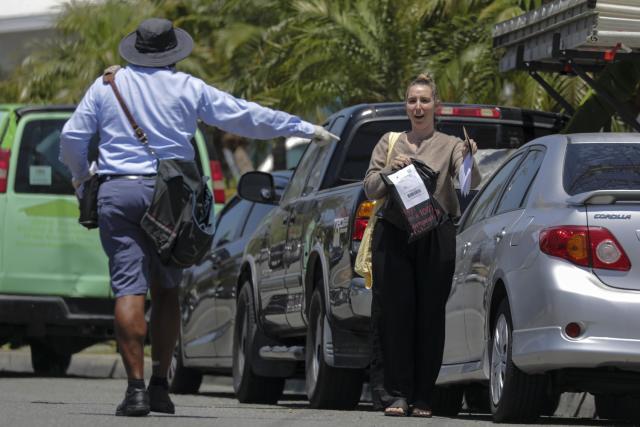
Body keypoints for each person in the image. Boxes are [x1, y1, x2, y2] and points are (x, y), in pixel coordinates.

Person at [59, 17, 335, 417]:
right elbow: (244, 116)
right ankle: (159, 386)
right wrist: (303, 128)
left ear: (136, 49)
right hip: (171, 195)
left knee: (128, 289)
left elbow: (71, 138)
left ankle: (134, 390)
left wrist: (82, 178)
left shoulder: (107, 86)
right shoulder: (188, 87)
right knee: (167, 289)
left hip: (117, 191)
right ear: (173, 53)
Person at [363, 73, 481, 417]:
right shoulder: (389, 142)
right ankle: (396, 395)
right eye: (413, 100)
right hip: (394, 233)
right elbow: (370, 188)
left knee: (429, 317)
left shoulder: (451, 145)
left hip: (434, 235)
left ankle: (423, 397)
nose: (419, 106)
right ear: (406, 105)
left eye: (425, 100)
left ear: (436, 106)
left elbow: (467, 184)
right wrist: (390, 172)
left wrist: (471, 156)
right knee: (394, 316)